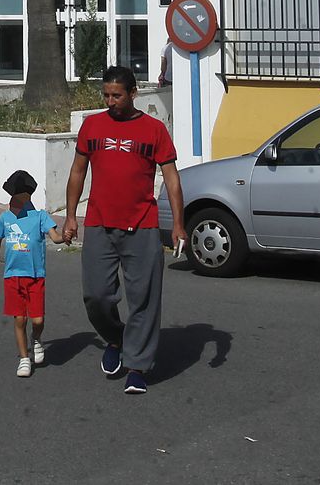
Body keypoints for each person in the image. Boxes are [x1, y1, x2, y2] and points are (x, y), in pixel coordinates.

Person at [62, 65, 186, 395]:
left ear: (133, 94)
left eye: (117, 95)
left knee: (143, 299)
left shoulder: (154, 130)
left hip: (142, 225)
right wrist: (71, 216)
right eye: (106, 95)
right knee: (96, 295)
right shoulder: (92, 126)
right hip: (100, 223)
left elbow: (172, 179)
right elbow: (77, 173)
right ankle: (117, 338)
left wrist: (178, 224)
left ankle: (137, 367)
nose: (111, 101)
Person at [0, 169, 66, 377]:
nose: (13, 199)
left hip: (35, 276)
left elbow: (55, 237)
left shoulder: (40, 216)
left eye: (16, 194)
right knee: (20, 319)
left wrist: (65, 236)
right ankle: (23, 358)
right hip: (13, 276)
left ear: (26, 196)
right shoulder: (4, 218)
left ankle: (36, 339)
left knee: (37, 320)